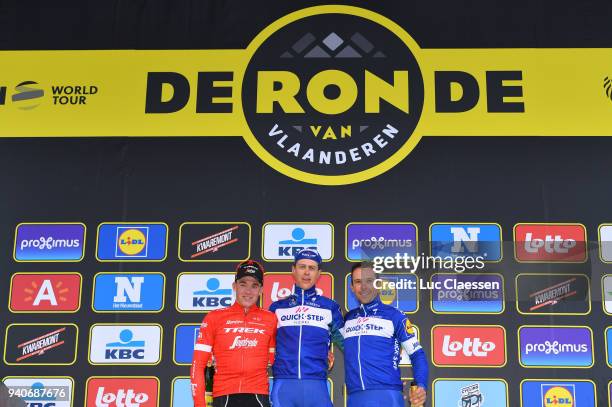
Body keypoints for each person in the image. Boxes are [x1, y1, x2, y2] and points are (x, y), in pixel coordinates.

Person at [191, 260, 277, 407]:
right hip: (223, 396)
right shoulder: (214, 318)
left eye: (254, 285)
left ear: (261, 290)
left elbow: (278, 361)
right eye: (243, 284)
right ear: (234, 286)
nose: (248, 291)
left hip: (259, 396)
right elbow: (198, 365)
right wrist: (199, 404)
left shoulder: (271, 319)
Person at [343, 263, 429, 407]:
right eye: (358, 282)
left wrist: (421, 385)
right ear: (352, 287)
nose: (363, 287)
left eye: (369, 281)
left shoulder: (394, 316)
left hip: (386, 396)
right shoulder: (348, 319)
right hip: (354, 397)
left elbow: (417, 354)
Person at [269, 248, 344, 407]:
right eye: (302, 266)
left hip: (316, 385)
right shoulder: (277, 308)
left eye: (312, 268)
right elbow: (261, 343)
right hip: (284, 386)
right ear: (293, 270)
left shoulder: (329, 307)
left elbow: (348, 344)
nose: (306, 272)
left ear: (319, 273)